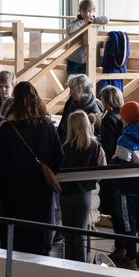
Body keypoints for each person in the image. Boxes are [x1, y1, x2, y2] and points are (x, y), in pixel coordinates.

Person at [0, 81, 64, 255]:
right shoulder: (48, 127)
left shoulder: (7, 128)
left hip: (14, 195)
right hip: (41, 195)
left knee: (16, 246)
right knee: (39, 245)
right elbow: (59, 157)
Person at [110, 101, 139, 271]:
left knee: (128, 220)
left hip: (127, 187)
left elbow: (121, 165)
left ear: (125, 117)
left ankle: (131, 254)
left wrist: (112, 160)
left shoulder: (125, 139)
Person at [60, 110, 105, 263]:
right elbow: (102, 169)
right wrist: (91, 182)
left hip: (66, 193)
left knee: (68, 232)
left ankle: (68, 262)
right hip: (84, 193)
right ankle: (80, 265)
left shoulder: (64, 148)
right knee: (81, 231)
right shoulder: (96, 146)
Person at [97, 85, 124, 221]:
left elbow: (108, 145)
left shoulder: (108, 118)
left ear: (107, 100)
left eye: (102, 98)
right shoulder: (122, 115)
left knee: (111, 203)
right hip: (121, 159)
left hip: (111, 162)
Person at [65, 0, 109, 77]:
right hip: (73, 58)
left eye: (89, 11)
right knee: (72, 82)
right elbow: (70, 30)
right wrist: (84, 22)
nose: (87, 14)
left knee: (85, 83)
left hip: (87, 59)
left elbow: (106, 20)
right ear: (80, 11)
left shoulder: (94, 21)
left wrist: (93, 20)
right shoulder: (76, 22)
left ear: (93, 11)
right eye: (84, 11)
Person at [57, 73, 102, 140]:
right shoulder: (70, 102)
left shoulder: (94, 109)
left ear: (80, 89)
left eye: (72, 89)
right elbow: (62, 124)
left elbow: (93, 136)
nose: (70, 93)